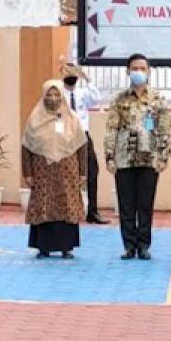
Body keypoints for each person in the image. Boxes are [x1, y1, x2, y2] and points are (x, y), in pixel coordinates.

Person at [105, 54, 171, 260]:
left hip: (149, 158)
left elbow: (164, 129)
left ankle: (143, 245)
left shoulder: (158, 99)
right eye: (135, 68)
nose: (138, 72)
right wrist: (109, 156)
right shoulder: (118, 99)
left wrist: (163, 156)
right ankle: (128, 246)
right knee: (126, 205)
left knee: (145, 204)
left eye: (142, 68)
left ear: (149, 71)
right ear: (127, 71)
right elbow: (111, 129)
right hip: (124, 158)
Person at [23, 81, 88, 259]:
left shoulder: (72, 119)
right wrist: (27, 172)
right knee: (43, 205)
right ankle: (43, 246)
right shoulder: (34, 118)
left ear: (62, 96)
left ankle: (66, 246)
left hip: (67, 172)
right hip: (42, 171)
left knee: (66, 205)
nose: (53, 99)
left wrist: (83, 173)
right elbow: (26, 146)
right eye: (49, 95)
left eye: (56, 94)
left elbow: (81, 147)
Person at [62, 62, 108, 224]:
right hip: (65, 137)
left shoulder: (82, 93)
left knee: (92, 171)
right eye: (68, 72)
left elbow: (97, 99)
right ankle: (69, 211)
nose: (71, 76)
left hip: (83, 135)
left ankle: (93, 212)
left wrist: (88, 79)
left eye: (74, 73)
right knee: (67, 174)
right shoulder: (58, 93)